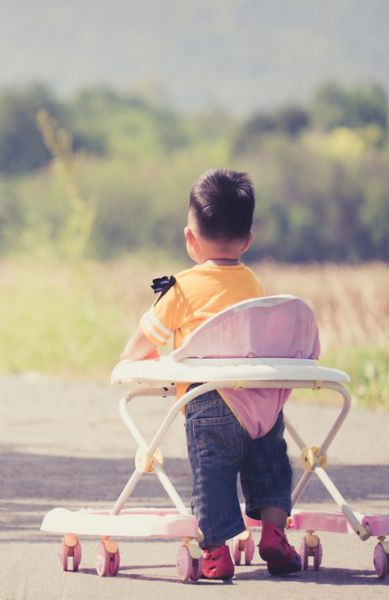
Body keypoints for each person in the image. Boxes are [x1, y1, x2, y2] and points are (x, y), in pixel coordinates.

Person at [120, 168, 302, 580]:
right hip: (261, 403)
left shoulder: (181, 289)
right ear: (248, 240)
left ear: (190, 238)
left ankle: (217, 553)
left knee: (214, 477)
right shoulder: (254, 285)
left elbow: (138, 347)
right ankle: (274, 533)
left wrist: (143, 362)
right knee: (270, 465)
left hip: (210, 404)